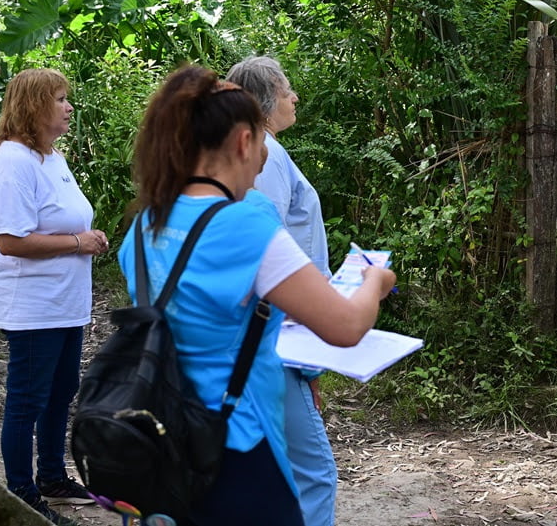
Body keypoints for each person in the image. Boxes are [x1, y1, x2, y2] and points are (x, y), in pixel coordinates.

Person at [118, 65, 396, 526]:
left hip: (162, 437)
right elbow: (345, 327)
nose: (267, 157)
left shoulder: (146, 223)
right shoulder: (246, 225)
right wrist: (374, 281)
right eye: (263, 142)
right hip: (235, 443)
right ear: (244, 142)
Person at [0, 68, 110, 526]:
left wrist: (86, 236)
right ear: (34, 106)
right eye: (59, 99)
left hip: (66, 302)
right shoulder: (12, 162)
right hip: (34, 307)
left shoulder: (50, 157)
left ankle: (53, 477)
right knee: (27, 400)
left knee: (61, 393)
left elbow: (60, 220)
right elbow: (10, 240)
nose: (68, 106)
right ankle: (21, 491)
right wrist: (79, 242)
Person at [226, 56, 337, 526]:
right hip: (279, 328)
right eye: (288, 89)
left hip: (278, 325)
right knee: (315, 473)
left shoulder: (266, 151)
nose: (295, 98)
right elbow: (266, 251)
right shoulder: (263, 157)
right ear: (266, 99)